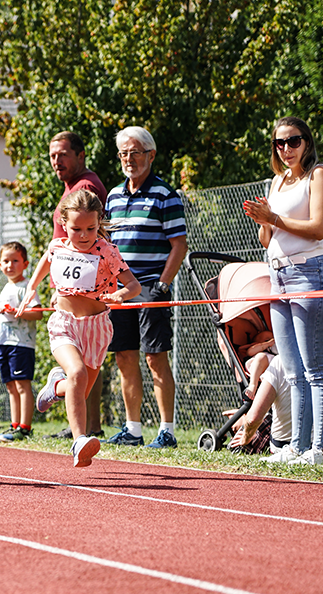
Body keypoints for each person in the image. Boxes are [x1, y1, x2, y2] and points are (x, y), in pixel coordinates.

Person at [242, 117, 323, 466]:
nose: (286, 149)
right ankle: (297, 447)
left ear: (307, 142)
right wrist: (264, 221)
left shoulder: (319, 174)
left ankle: (320, 449)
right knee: (292, 369)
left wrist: (274, 218)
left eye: (293, 141)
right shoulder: (277, 180)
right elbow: (267, 238)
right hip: (279, 275)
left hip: (312, 272)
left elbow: (318, 228)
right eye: (279, 143)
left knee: (317, 367)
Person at [19, 189, 141, 466]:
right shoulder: (58, 246)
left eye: (91, 228)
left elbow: (134, 286)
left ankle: (55, 385)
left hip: (97, 327)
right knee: (76, 373)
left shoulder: (106, 251)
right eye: (76, 229)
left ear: (99, 223)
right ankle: (79, 441)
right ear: (64, 224)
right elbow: (44, 263)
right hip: (64, 324)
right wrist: (31, 290)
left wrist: (120, 295)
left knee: (78, 388)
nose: (84, 235)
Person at [104, 126, 188, 449]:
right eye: (124, 153)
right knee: (125, 357)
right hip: (121, 291)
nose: (129, 159)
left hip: (152, 288)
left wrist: (163, 286)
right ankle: (133, 429)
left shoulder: (166, 195)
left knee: (156, 357)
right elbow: (108, 244)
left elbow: (178, 245)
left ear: (151, 155)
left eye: (135, 152)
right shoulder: (112, 196)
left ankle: (166, 430)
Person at [49, 131, 111, 439]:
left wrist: (120, 291)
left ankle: (88, 425)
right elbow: (54, 251)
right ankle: (81, 434)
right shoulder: (70, 188)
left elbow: (91, 253)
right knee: (78, 371)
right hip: (67, 303)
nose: (57, 161)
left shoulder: (84, 188)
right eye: (52, 156)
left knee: (83, 374)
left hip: (91, 304)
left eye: (63, 154)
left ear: (81, 156)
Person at [0, 241, 44, 442]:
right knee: (10, 385)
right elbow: (5, 307)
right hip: (4, 342)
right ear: (0, 265)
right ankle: (14, 424)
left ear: (25, 264)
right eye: (6, 261)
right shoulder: (6, 287)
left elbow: (37, 314)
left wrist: (17, 312)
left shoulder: (27, 286)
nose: (10, 265)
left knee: (22, 384)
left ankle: (25, 427)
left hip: (21, 343)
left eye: (15, 261)